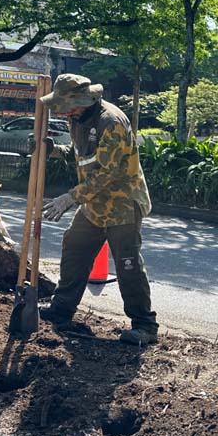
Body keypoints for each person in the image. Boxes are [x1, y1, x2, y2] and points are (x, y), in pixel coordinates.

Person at [37, 74, 158, 345]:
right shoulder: (77, 118)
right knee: (74, 247)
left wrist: (70, 198)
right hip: (95, 205)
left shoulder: (111, 122)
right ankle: (61, 310)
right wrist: (53, 150)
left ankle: (145, 326)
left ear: (83, 100)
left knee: (128, 265)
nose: (63, 112)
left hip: (122, 204)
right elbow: (80, 153)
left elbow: (108, 173)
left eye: (67, 107)